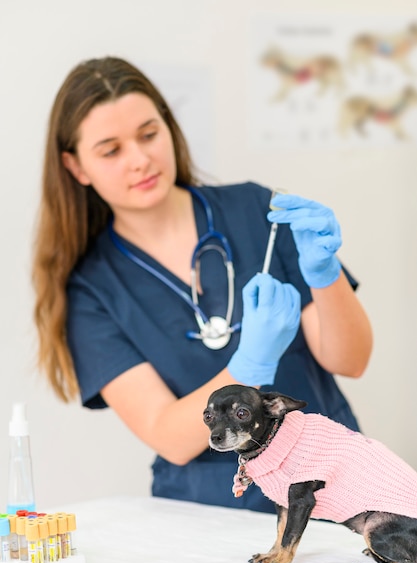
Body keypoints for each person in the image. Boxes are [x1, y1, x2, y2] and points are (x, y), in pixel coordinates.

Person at [32, 56, 373, 513]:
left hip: (329, 488)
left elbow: (350, 361)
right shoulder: (92, 289)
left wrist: (325, 277)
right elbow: (168, 436)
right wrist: (250, 364)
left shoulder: (257, 212)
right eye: (111, 150)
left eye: (149, 134)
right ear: (76, 167)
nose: (140, 159)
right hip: (207, 515)